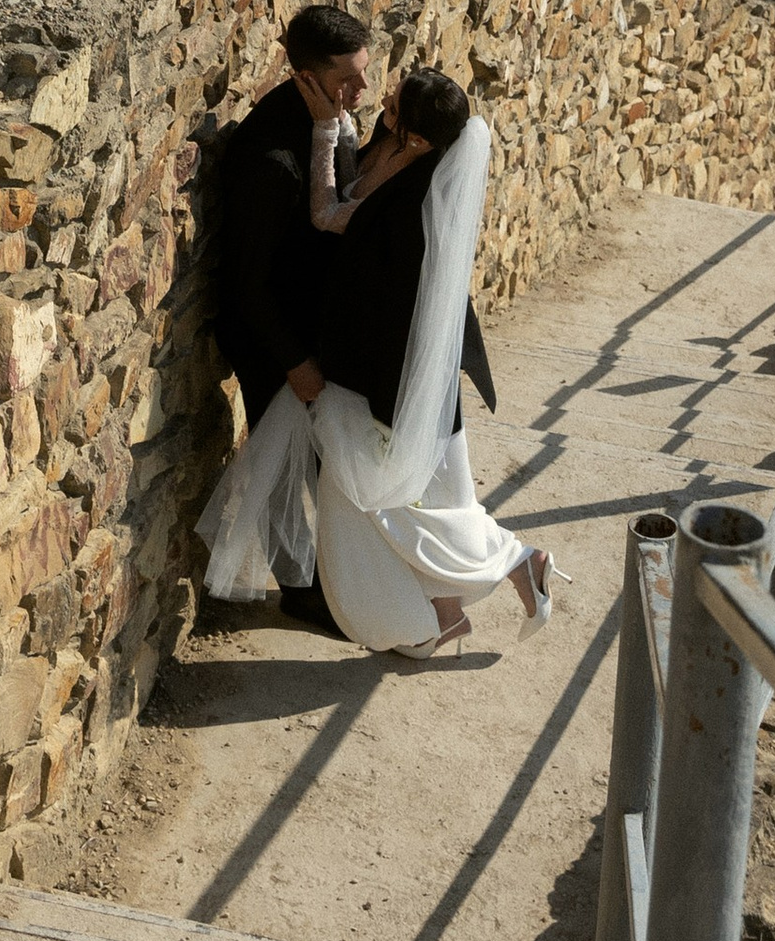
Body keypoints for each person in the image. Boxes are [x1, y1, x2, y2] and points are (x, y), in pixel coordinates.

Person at [199, 66, 556, 657]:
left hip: (386, 377)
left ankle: (513, 563)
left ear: (416, 138)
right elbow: (355, 178)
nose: (381, 97)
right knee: (409, 500)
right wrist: (341, 129)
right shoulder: (403, 148)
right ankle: (444, 613)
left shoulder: (414, 197)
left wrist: (324, 128)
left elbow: (329, 213)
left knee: (384, 499)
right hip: (385, 369)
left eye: (394, 103)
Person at [189, 1, 369, 638]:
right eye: (348, 78)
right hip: (271, 336)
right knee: (281, 466)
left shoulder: (327, 120)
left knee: (320, 461)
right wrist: (295, 362)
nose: (362, 88)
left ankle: (329, 580)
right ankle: (300, 591)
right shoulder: (271, 159)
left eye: (363, 72)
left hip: (306, 323)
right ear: (308, 77)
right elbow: (248, 284)